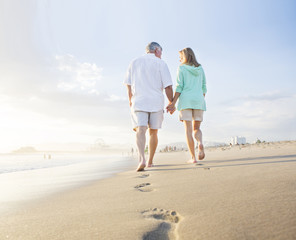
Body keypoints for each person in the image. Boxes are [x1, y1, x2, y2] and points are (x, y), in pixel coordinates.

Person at [124, 42, 174, 171]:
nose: (161, 55)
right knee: (153, 132)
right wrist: (171, 102)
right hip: (156, 102)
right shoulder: (161, 63)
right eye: (161, 52)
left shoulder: (134, 62)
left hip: (139, 101)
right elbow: (168, 86)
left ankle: (142, 158)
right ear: (157, 50)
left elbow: (128, 85)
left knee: (140, 130)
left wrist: (130, 100)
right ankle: (150, 161)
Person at [167, 47, 207, 163]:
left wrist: (173, 103)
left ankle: (193, 158)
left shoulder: (182, 68)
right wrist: (199, 98)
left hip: (185, 101)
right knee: (197, 128)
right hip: (199, 100)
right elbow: (204, 87)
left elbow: (179, 86)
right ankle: (200, 143)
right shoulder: (200, 68)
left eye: (180, 58)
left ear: (185, 57)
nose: (179, 60)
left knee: (188, 130)